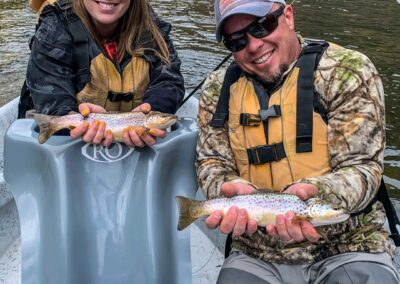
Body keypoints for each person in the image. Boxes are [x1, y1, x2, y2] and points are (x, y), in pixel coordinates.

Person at [196, 0, 400, 283]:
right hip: (256, 251)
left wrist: (317, 192)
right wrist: (222, 186)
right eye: (237, 40)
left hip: (350, 244)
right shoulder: (217, 89)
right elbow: (212, 162)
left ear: (288, 16)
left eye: (261, 26)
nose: (253, 45)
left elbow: (364, 169)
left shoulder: (346, 71)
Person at [20, 0, 184, 147]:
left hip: (133, 141)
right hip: (67, 144)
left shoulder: (152, 28)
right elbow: (50, 97)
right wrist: (70, 117)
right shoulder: (54, 28)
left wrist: (155, 107)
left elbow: (170, 81)